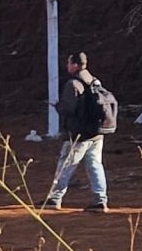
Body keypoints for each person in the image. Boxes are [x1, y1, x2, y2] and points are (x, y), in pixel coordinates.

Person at [47, 51, 117, 214]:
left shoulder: (73, 84)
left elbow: (70, 109)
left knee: (66, 164)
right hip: (97, 133)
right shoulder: (94, 81)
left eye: (69, 63)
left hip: (79, 134)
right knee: (95, 165)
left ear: (75, 65)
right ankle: (100, 200)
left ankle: (54, 198)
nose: (67, 65)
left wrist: (59, 108)